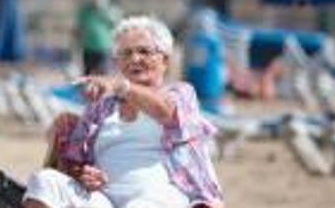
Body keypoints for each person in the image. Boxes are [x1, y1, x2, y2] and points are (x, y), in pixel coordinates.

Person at [25, 16, 224, 208]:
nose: (134, 59)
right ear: (118, 62)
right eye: (126, 53)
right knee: (45, 181)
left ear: (164, 60)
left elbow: (167, 113)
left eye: (144, 51)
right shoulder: (102, 106)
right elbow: (76, 161)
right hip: (103, 198)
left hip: (161, 196)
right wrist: (85, 174)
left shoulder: (180, 93)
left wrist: (122, 86)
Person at [76, 0, 118, 76]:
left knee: (104, 70)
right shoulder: (85, 11)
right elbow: (79, 28)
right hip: (88, 47)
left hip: (104, 47)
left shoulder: (108, 11)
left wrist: (103, 11)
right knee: (88, 71)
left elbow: (114, 23)